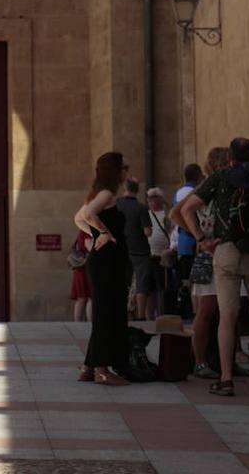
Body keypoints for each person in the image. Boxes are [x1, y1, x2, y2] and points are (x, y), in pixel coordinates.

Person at [184, 137, 249, 397]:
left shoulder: (220, 177)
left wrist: (202, 240)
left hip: (226, 250)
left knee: (227, 316)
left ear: (231, 158)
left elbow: (187, 208)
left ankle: (226, 379)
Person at [172, 147, 242, 380]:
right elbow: (177, 213)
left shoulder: (223, 183)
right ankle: (200, 361)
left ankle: (227, 360)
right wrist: (200, 237)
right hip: (210, 253)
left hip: (225, 251)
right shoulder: (210, 184)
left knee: (230, 310)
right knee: (207, 310)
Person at [74, 151, 132, 385]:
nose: (126, 171)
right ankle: (101, 369)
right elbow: (86, 215)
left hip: (105, 259)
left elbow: (79, 218)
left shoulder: (98, 193)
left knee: (105, 310)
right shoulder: (106, 193)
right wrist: (104, 234)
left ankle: (89, 367)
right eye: (124, 167)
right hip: (108, 260)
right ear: (116, 171)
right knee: (108, 312)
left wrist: (96, 234)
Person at [117, 177, 153, 321]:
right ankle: (141, 316)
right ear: (137, 190)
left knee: (121, 282)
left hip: (120, 249)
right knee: (141, 283)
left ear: (124, 188)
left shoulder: (116, 204)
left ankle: (120, 313)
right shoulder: (141, 207)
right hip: (139, 250)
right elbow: (147, 232)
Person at [170, 163, 203, 306]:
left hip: (183, 240)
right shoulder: (198, 191)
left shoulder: (178, 193)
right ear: (197, 176)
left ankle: (192, 310)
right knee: (198, 281)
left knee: (187, 279)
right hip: (196, 239)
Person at [145, 188, 171, 320]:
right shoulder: (146, 214)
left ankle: (161, 316)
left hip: (163, 257)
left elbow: (172, 232)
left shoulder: (167, 214)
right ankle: (149, 317)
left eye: (154, 197)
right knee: (149, 289)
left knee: (161, 287)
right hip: (149, 255)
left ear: (160, 199)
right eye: (149, 198)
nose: (151, 200)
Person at [70, 230, 93, 322]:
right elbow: (90, 247)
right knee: (90, 297)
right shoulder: (87, 231)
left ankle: (77, 325)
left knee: (81, 298)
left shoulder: (82, 231)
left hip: (81, 268)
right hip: (86, 269)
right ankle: (90, 325)